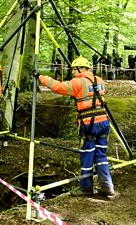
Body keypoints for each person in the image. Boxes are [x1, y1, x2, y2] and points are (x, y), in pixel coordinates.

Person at [37, 56, 114, 197]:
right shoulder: (99, 80)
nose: (72, 72)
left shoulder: (77, 82)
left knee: (87, 154)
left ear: (81, 68)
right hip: (103, 121)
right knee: (101, 154)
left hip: (89, 123)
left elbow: (58, 87)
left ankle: (86, 188)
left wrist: (41, 77)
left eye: (74, 69)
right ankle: (107, 186)